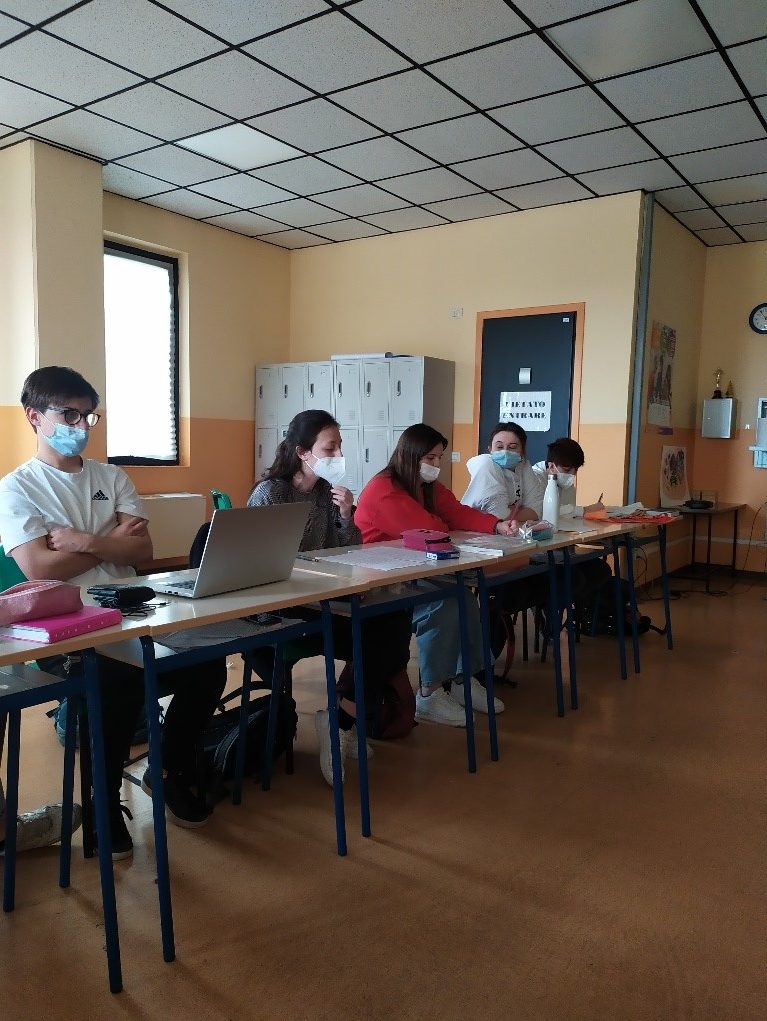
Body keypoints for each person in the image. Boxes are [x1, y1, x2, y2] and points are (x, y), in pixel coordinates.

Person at [0, 366, 226, 860]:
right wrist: (109, 543)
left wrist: (81, 541)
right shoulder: (17, 488)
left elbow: (142, 551)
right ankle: (102, 805)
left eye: (88, 415)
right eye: (69, 414)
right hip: (63, 625)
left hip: (131, 609)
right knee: (116, 680)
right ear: (34, 416)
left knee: (207, 664)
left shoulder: (111, 476)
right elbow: (40, 567)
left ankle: (167, 770)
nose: (81, 425)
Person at [248, 409, 413, 785]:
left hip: (324, 598)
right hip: (285, 608)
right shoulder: (271, 494)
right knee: (376, 636)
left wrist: (346, 514)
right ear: (302, 452)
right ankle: (342, 723)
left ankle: (338, 721)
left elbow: (347, 551)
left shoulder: (326, 492)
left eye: (340, 446)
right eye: (330, 447)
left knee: (393, 621)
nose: (338, 454)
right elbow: (258, 566)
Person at [354, 423, 516, 727]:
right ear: (410, 455)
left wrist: (496, 524)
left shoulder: (424, 484)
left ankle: (464, 679)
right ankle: (429, 694)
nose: (436, 464)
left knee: (464, 599)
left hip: (414, 569)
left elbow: (456, 512)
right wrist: (442, 521)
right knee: (443, 604)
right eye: (430, 457)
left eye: (439, 457)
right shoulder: (384, 490)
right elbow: (431, 529)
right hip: (380, 580)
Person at [461, 421, 540, 523]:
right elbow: (499, 515)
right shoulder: (485, 464)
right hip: (474, 527)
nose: (505, 451)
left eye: (512, 447)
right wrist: (519, 511)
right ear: (490, 449)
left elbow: (536, 510)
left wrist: (508, 514)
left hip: (506, 528)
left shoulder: (524, 466)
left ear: (522, 451)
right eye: (499, 447)